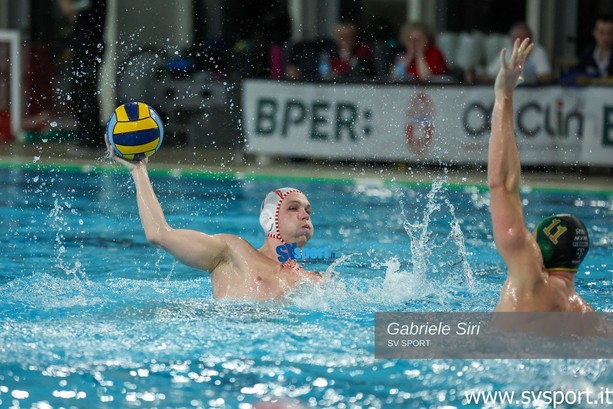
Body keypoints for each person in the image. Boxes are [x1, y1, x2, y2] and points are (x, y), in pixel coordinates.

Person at [106, 139, 323, 300]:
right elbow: (159, 233)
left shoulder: (314, 280)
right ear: (269, 219)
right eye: (293, 208)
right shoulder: (232, 252)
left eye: (308, 210)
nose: (304, 215)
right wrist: (139, 170)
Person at [488, 38, 594, 313]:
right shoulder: (587, 317)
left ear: (541, 251)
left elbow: (501, 185)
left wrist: (504, 96)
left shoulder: (530, 280)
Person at [59, 0, 107, 148]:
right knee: (76, 92)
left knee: (86, 92)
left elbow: (69, 10)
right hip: (83, 47)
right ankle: (87, 135)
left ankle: (92, 138)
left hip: (90, 49)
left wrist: (66, 4)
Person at [286, 21, 375, 80]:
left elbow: (366, 75)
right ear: (336, 37)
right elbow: (311, 69)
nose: (345, 40)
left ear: (356, 38)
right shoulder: (326, 52)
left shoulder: (363, 54)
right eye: (341, 36)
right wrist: (297, 70)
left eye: (349, 37)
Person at [483, 22, 552, 85]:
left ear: (531, 39)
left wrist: (530, 76)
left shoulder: (538, 51)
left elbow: (546, 77)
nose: (522, 42)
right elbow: (489, 75)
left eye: (524, 38)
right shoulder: (507, 52)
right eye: (518, 38)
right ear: (512, 40)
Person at [572, 14, 613, 79]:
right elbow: (575, 72)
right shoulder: (588, 53)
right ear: (594, 33)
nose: (606, 38)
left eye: (610, 33)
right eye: (601, 33)